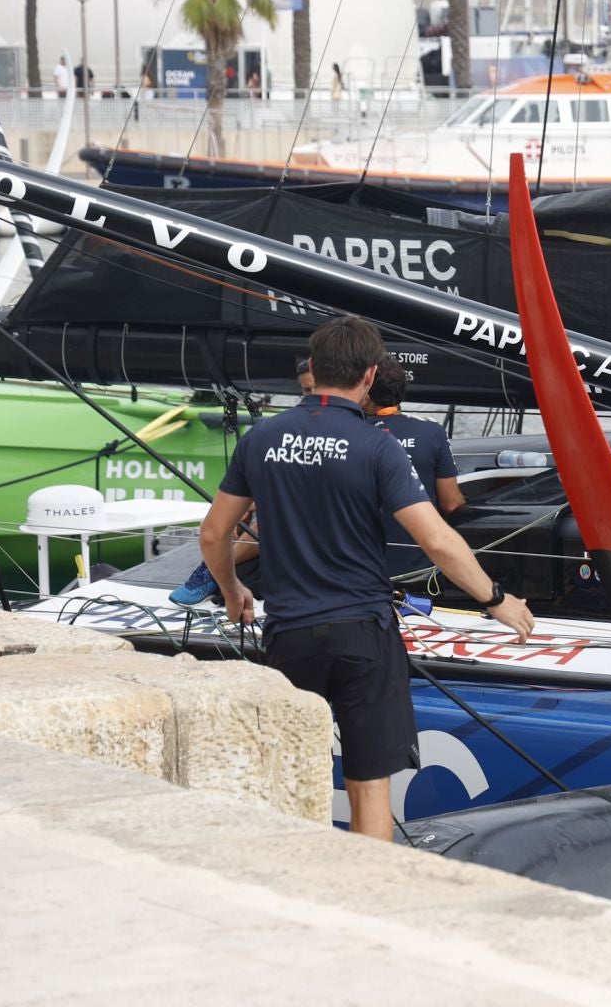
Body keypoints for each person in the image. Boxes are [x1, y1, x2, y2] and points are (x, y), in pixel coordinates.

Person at [197, 316, 534, 839]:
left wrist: (231, 589)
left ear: (315, 369)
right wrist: (496, 598)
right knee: (369, 788)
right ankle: (366, 903)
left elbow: (215, 535)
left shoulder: (262, 437)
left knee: (287, 780)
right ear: (370, 375)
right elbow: (439, 540)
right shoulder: (377, 446)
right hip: (362, 633)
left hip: (289, 635)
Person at [169, 356, 315, 606]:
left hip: (320, 524)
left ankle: (214, 569)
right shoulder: (289, 428)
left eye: (315, 389)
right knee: (256, 511)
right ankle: (217, 566)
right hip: (299, 518)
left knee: (275, 516)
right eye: (305, 390)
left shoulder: (356, 431)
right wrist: (249, 505)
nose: (309, 397)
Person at [368, 355, 464, 578]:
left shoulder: (350, 432)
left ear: (366, 391)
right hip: (420, 570)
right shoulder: (432, 432)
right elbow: (452, 503)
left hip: (362, 571)